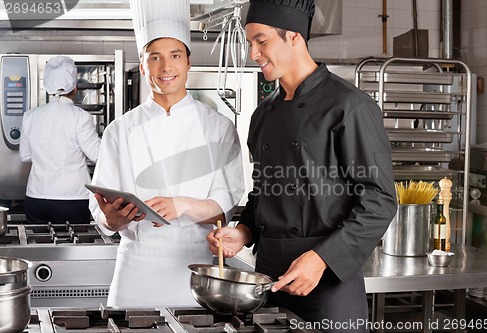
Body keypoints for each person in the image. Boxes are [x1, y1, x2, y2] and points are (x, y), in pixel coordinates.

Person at [206, 0, 397, 331]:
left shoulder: (349, 106)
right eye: (251, 42)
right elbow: (264, 194)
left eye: (261, 41)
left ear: (293, 37)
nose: (254, 54)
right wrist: (241, 233)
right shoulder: (263, 114)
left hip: (328, 284)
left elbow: (380, 200)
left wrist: (321, 259)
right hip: (268, 283)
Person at [89, 0, 244, 307]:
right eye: (154, 58)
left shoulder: (219, 128)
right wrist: (111, 220)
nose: (166, 67)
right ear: (143, 66)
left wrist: (183, 205)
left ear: (188, 62)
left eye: (175, 55)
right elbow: (101, 213)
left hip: (197, 270)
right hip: (136, 267)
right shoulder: (119, 130)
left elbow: (224, 209)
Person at [19, 56, 100, 225]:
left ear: (48, 87)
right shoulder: (81, 117)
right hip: (71, 199)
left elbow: (25, 156)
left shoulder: (30, 116)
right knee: (74, 249)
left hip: (36, 199)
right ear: (75, 88)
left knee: (39, 249)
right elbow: (96, 155)